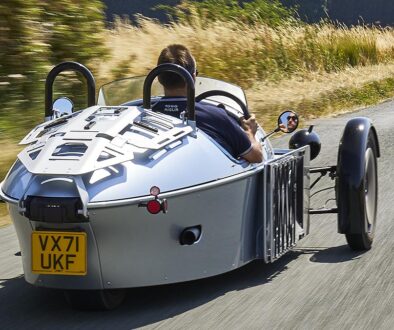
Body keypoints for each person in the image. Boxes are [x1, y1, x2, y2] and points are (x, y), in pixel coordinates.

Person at [153, 44, 263, 163]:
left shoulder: (145, 113)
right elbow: (256, 156)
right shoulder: (216, 116)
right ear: (193, 77)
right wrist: (250, 132)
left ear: (159, 78)